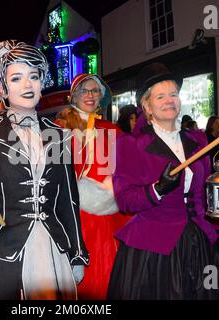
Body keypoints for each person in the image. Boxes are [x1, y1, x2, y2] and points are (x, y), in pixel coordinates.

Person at [0, 40, 89, 300]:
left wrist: (76, 252)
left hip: (52, 250)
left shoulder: (57, 135)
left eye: (34, 77)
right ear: (2, 88)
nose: (28, 85)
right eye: (17, 78)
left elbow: (67, 202)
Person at [107, 62, 219, 299]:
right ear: (147, 106)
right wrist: (156, 190)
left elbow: (203, 189)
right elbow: (124, 200)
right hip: (155, 247)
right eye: (160, 96)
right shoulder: (129, 144)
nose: (169, 100)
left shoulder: (198, 140)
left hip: (198, 240)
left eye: (173, 94)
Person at [55, 73, 129, 299]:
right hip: (76, 215)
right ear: (74, 96)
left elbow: (127, 166)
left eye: (94, 91)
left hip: (109, 215)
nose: (90, 95)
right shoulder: (60, 128)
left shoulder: (112, 129)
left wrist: (116, 182)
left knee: (110, 274)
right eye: (84, 91)